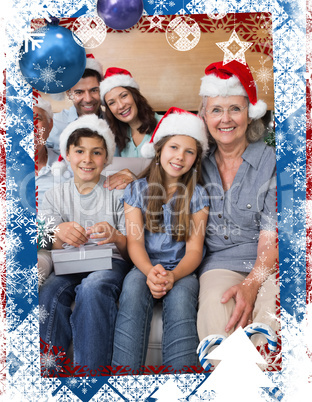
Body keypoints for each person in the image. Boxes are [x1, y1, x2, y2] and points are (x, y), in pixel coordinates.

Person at [112, 107, 209, 373]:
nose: (180, 156)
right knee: (132, 289)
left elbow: (194, 251)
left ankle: (181, 384)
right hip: (145, 264)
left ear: (195, 160)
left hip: (182, 269)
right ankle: (124, 380)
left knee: (181, 301)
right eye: (174, 147)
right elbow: (135, 242)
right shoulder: (137, 190)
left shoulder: (198, 195)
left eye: (189, 152)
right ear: (159, 151)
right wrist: (150, 272)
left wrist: (173, 276)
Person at [39, 114, 131, 372]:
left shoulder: (117, 191)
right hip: (68, 264)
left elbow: (130, 249)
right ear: (67, 154)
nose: (87, 160)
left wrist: (114, 235)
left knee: (92, 287)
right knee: (49, 292)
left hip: (109, 263)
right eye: (79, 151)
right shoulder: (54, 195)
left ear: (107, 158)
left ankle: (90, 378)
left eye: (97, 153)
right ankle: (50, 373)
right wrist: (59, 232)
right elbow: (47, 243)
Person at [196, 61, 279, 347]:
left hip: (269, 263)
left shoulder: (271, 160)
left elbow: (271, 235)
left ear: (249, 114)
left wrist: (252, 283)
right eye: (216, 110)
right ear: (205, 117)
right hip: (219, 263)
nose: (226, 119)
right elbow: (158, 177)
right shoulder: (195, 162)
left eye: (235, 108)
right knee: (217, 312)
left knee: (269, 318)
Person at [100, 67, 162, 190]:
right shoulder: (115, 137)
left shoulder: (165, 124)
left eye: (123, 96)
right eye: (112, 103)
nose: (121, 105)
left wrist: (136, 180)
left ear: (135, 96)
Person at [46, 55, 105, 152]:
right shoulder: (54, 125)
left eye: (94, 90)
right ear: (69, 94)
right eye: (79, 92)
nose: (88, 99)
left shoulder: (114, 123)